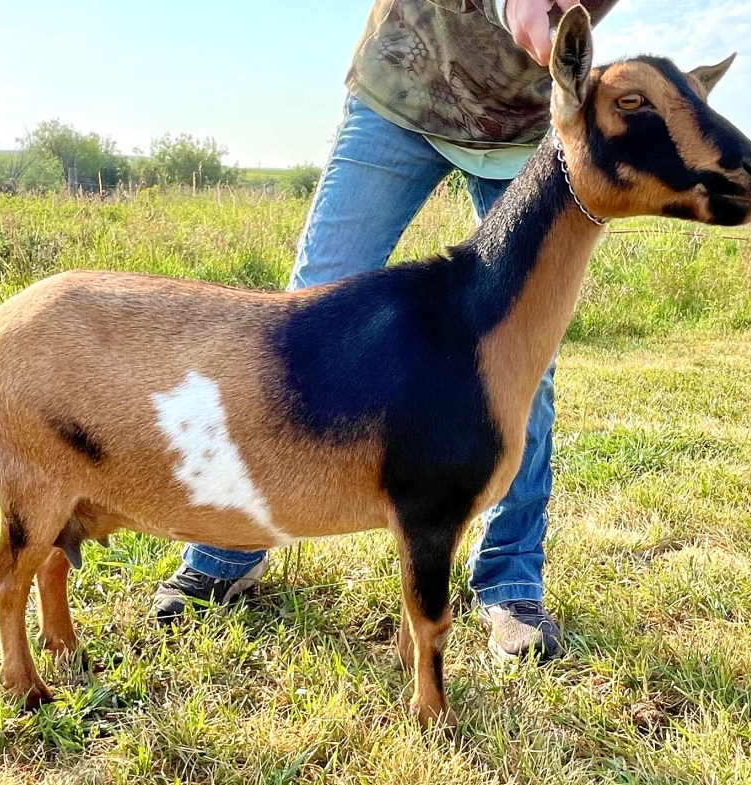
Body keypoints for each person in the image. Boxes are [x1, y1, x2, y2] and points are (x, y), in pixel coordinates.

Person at [154, 0, 618, 660]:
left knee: (524, 365)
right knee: (303, 321)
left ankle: (510, 582)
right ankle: (227, 551)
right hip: (406, 84)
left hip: (526, 123)